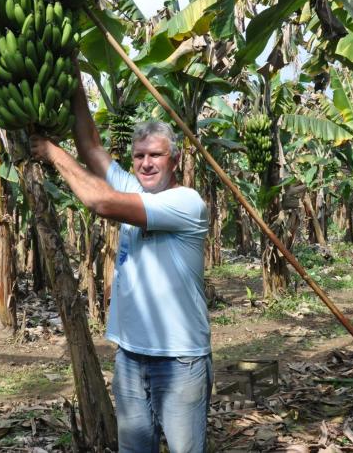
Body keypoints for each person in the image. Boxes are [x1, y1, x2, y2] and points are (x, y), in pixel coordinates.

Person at [30, 83, 211, 453]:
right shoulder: (135, 189)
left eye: (156, 156)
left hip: (179, 359)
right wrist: (75, 77)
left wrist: (52, 154)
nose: (146, 163)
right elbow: (92, 147)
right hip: (130, 355)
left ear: (174, 161)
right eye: (140, 155)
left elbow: (100, 201)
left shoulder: (185, 203)